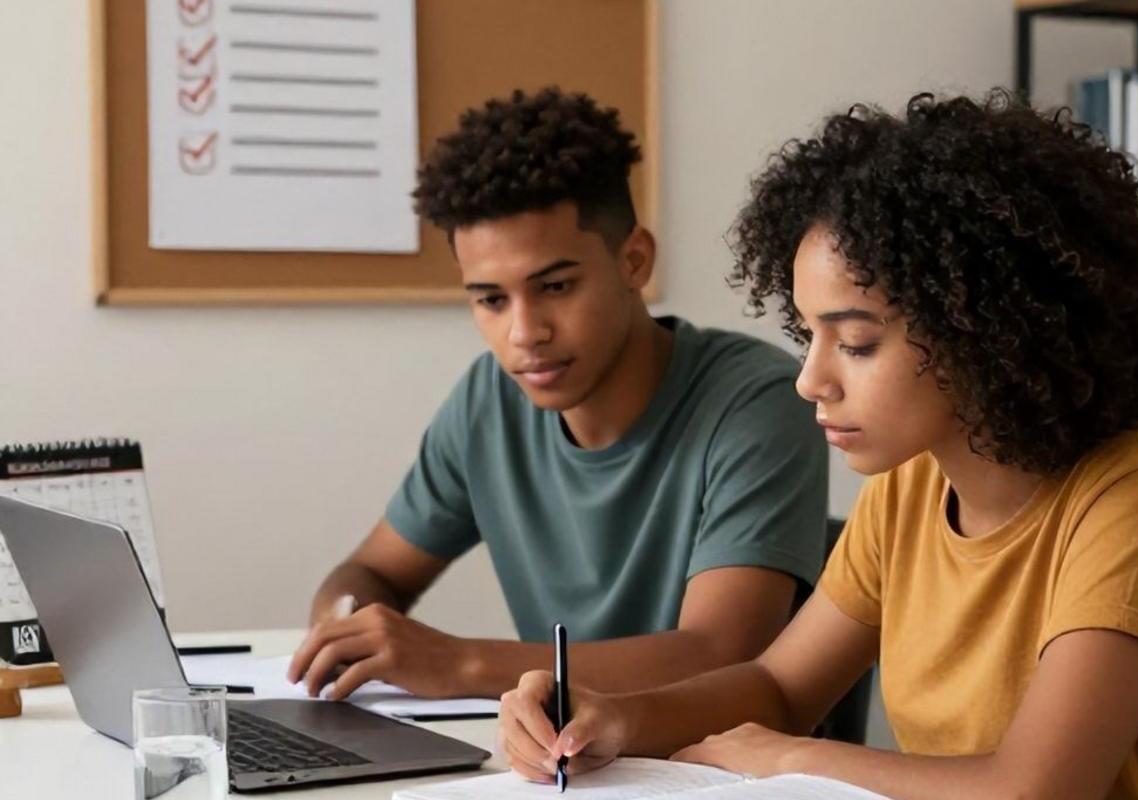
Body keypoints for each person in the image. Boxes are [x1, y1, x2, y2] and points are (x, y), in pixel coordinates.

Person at [497, 90, 1138, 799]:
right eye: (811, 337)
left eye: (857, 343)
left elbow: (1036, 790)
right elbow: (777, 687)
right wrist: (615, 718)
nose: (811, 381)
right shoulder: (909, 491)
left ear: (985, 329)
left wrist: (793, 759)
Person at [287, 87, 828, 701]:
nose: (525, 334)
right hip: (558, 765)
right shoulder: (488, 403)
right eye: (491, 299)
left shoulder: (758, 401)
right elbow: (373, 570)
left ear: (635, 261)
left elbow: (722, 653)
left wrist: (462, 664)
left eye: (557, 286)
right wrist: (346, 619)